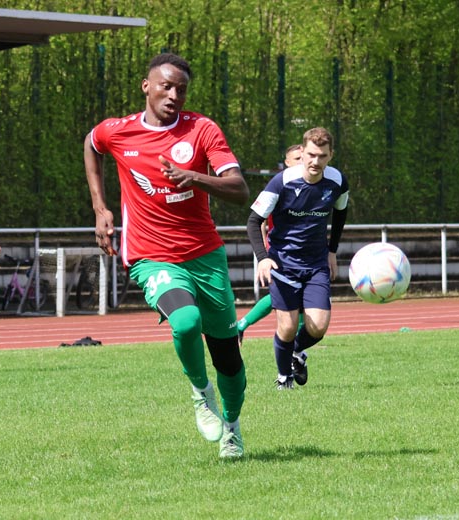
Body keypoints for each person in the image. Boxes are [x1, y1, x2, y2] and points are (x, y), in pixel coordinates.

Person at [84, 53, 249, 458]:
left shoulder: (201, 129)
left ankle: (231, 426)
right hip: (151, 256)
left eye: (181, 89)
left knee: (229, 360)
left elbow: (239, 189)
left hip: (205, 255)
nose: (174, 95)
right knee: (186, 321)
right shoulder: (118, 131)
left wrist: (194, 177)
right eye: (166, 86)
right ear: (147, 86)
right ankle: (200, 391)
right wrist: (100, 208)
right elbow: (92, 144)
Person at [247, 127, 348, 390]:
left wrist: (332, 250)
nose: (316, 161)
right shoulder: (281, 182)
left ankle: (294, 352)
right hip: (283, 264)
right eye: (311, 155)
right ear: (302, 152)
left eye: (322, 156)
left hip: (316, 264)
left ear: (331, 155)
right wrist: (263, 258)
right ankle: (284, 379)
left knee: (318, 326)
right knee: (288, 326)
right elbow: (253, 220)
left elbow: (341, 212)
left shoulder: (338, 181)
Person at [237, 144, 303, 339]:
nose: (302, 162)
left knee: (291, 293)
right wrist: (265, 249)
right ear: (287, 162)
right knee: (285, 293)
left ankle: (243, 324)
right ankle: (296, 342)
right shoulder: (279, 185)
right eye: (297, 159)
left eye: (303, 157)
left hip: (301, 249)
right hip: (281, 250)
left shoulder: (310, 185)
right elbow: (259, 220)